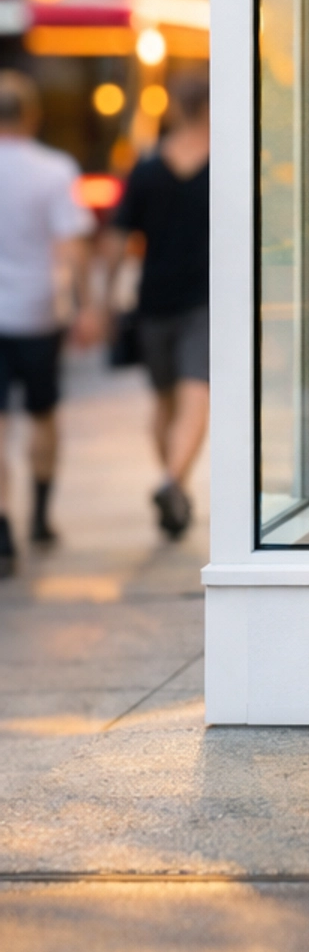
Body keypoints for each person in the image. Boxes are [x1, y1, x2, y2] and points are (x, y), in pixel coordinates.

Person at [100, 73, 210, 541]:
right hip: (205, 298)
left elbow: (117, 242)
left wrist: (102, 299)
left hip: (155, 300)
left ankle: (173, 484)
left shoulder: (146, 170)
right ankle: (173, 483)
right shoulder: (229, 163)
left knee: (166, 400)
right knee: (193, 394)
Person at [0, 70, 98, 578]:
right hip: (39, 313)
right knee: (43, 416)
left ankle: (0, 527)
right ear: (32, 115)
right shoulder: (54, 169)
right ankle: (38, 516)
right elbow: (73, 244)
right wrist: (85, 305)